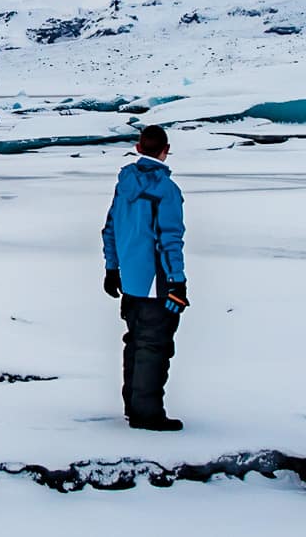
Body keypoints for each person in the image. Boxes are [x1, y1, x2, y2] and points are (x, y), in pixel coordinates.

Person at [101, 124, 188, 431]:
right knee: (154, 345)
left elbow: (110, 228)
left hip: (131, 282)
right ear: (165, 150)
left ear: (139, 149)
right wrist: (177, 281)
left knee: (136, 342)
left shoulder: (124, 184)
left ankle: (134, 407)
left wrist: (112, 269)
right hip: (157, 281)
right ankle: (147, 414)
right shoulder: (166, 190)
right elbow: (169, 238)